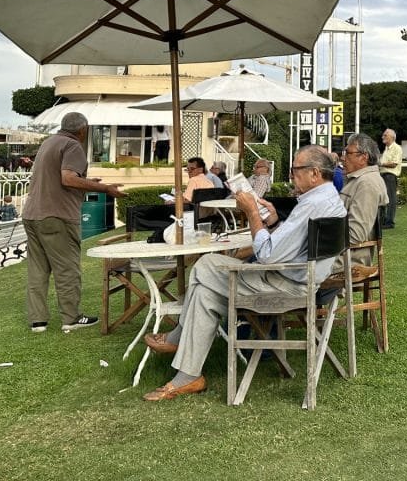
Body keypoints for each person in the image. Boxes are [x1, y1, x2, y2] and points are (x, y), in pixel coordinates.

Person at [139, 145, 346, 401]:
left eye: (294, 170)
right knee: (205, 295)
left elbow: (268, 253)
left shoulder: (312, 204)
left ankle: (178, 338)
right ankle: (189, 377)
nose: (291, 175)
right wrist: (273, 222)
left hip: (287, 284)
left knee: (206, 264)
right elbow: (295, 245)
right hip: (298, 278)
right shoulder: (327, 198)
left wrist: (251, 213)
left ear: (314, 173)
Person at [22, 112, 125, 333]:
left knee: (37, 269)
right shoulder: (73, 146)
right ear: (83, 130)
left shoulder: (48, 143)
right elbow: (67, 178)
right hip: (57, 215)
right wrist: (106, 188)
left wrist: (87, 183)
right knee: (67, 268)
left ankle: (37, 321)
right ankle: (71, 318)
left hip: (32, 214)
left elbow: (61, 178)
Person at [338, 133, 389, 266]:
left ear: (363, 157)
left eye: (347, 153)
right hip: (340, 255)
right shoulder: (360, 180)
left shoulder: (367, 183)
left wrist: (319, 237)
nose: (342, 158)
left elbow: (355, 234)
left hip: (346, 260)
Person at [379, 128, 402, 230]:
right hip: (383, 176)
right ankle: (383, 220)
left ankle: (389, 222)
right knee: (383, 199)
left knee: (391, 200)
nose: (383, 137)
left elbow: (394, 164)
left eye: (385, 135)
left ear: (392, 137)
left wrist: (381, 164)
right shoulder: (386, 149)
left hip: (390, 176)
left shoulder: (397, 148)